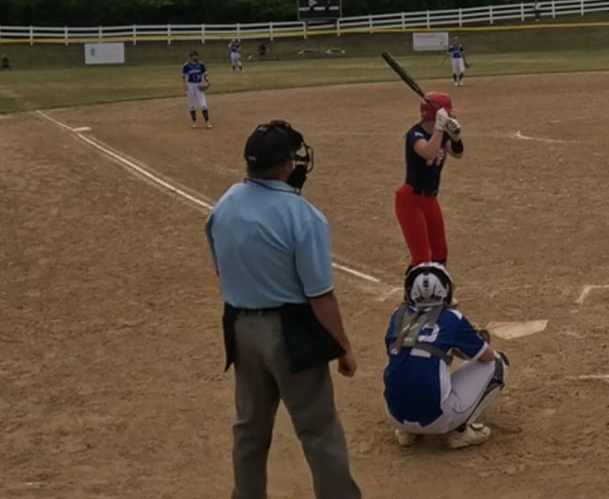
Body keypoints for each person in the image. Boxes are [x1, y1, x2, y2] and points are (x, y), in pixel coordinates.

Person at [205, 121, 362, 499]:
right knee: (319, 431)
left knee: (249, 429)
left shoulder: (224, 204)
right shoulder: (302, 215)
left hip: (240, 329)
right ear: (287, 165)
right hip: (290, 334)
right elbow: (320, 296)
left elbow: (221, 268)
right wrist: (343, 347)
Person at [383, 262, 508, 450]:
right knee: (498, 362)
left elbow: (406, 349)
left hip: (394, 415)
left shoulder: (397, 315)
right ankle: (460, 432)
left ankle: (407, 431)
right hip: (438, 419)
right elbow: (487, 356)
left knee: (406, 365)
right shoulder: (452, 318)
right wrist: (467, 342)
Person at [395, 93, 462, 267]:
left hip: (430, 200)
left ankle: (438, 284)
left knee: (440, 254)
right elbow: (429, 152)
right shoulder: (415, 134)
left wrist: (456, 138)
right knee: (422, 258)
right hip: (411, 201)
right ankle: (412, 286)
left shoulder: (443, 134)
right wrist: (439, 128)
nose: (451, 115)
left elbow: (458, 153)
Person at [184, 50, 211, 129]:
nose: (196, 57)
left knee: (203, 104)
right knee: (191, 104)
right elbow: (183, 76)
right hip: (190, 85)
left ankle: (207, 122)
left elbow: (205, 74)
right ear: (191, 57)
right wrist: (184, 85)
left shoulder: (201, 64)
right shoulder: (186, 65)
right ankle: (194, 122)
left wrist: (207, 81)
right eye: (194, 56)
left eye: (196, 55)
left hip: (199, 84)